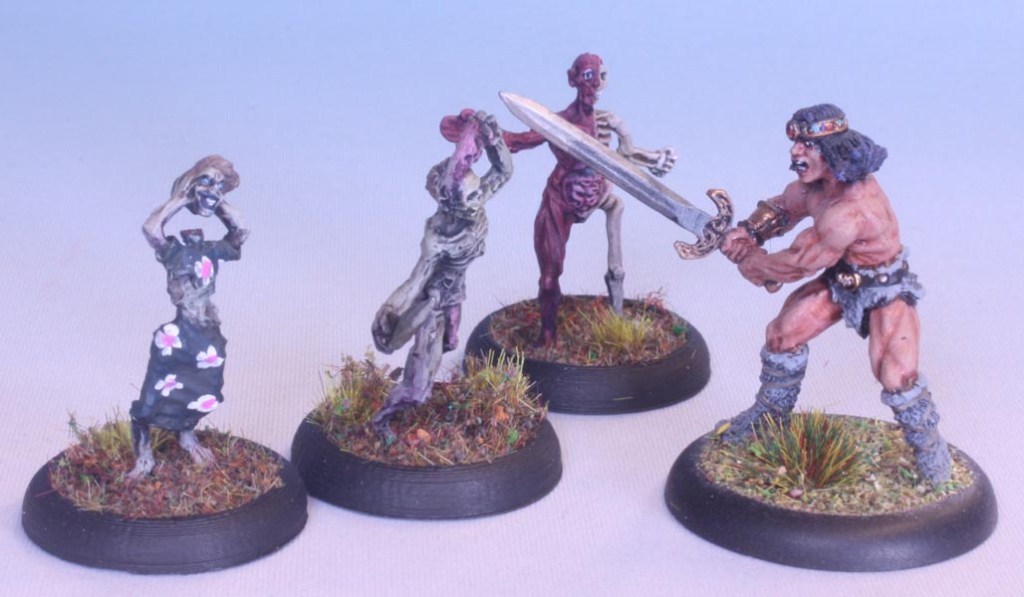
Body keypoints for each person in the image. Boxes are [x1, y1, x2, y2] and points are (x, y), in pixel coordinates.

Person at [718, 104, 951, 485]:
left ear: (833, 151)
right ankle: (768, 418)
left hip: (883, 287)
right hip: (842, 278)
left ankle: (931, 453)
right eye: (796, 143)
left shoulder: (851, 210)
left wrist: (755, 264)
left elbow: (800, 263)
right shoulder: (817, 187)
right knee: (782, 334)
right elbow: (784, 206)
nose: (796, 152)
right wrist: (749, 232)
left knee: (896, 374)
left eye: (808, 145)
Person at [503, 53, 676, 345]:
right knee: (549, 275)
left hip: (598, 192)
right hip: (561, 196)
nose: (594, 84)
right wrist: (491, 136)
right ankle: (547, 335)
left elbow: (624, 155)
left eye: (600, 76)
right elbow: (520, 141)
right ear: (573, 79)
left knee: (616, 205)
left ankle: (617, 313)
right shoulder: (557, 123)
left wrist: (653, 159)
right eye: (587, 76)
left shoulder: (610, 121)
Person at [371, 110, 513, 434]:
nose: (478, 199)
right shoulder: (438, 237)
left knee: (450, 345)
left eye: (477, 193)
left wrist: (493, 139)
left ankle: (420, 378)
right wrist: (390, 310)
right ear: (450, 202)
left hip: (455, 296)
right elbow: (416, 280)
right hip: (432, 304)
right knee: (419, 384)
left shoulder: (475, 198)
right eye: (470, 197)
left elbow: (504, 170)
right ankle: (384, 419)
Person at [129, 155, 249, 479]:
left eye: (219, 184)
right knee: (154, 395)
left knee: (204, 389)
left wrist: (218, 200)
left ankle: (186, 436)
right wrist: (182, 197)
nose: (213, 188)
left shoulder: (211, 250)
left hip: (207, 332)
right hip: (179, 333)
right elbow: (151, 228)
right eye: (207, 181)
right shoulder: (175, 251)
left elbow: (241, 231)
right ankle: (143, 454)